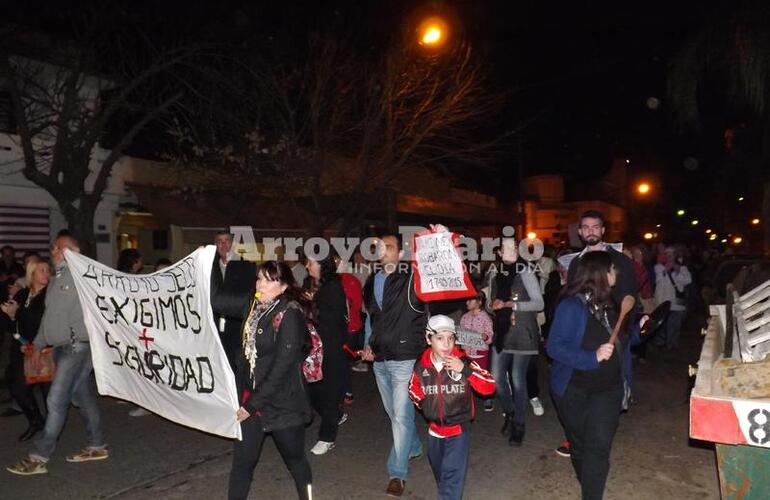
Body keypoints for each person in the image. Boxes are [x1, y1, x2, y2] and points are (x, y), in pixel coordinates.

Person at [7, 232, 108, 476]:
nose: (53, 251)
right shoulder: (55, 282)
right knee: (82, 397)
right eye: (52, 247)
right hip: (60, 349)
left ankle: (38, 456)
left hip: (77, 347)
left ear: (73, 252)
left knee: (55, 399)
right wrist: (37, 345)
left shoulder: (82, 277)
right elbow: (48, 319)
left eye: (58, 248)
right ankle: (97, 445)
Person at [548, 251, 644, 500]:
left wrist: (640, 331)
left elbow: (620, 340)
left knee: (598, 448)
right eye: (612, 268)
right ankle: (590, 482)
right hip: (573, 391)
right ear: (601, 273)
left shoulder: (611, 303)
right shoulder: (571, 306)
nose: (616, 272)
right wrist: (592, 357)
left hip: (608, 390)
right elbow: (554, 347)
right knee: (580, 446)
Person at [225, 261, 313, 500]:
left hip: (282, 404)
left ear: (283, 287)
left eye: (268, 280)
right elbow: (216, 300)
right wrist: (202, 265)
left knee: (296, 461)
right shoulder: (252, 307)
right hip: (250, 401)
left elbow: (281, 369)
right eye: (259, 278)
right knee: (242, 464)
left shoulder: (289, 314)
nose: (260, 284)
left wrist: (251, 405)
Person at [362, 232, 426, 497]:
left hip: (405, 356)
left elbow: (435, 275)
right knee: (395, 413)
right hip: (380, 357)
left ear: (400, 253)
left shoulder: (412, 277)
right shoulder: (371, 280)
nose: (382, 250)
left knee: (400, 416)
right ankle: (414, 446)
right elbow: (371, 318)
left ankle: (397, 474)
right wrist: (367, 343)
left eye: (388, 247)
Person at [408, 315, 495, 500]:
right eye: (440, 338)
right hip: (434, 430)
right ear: (428, 339)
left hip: (458, 430)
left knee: (452, 477)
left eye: (451, 338)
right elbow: (413, 388)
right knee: (441, 473)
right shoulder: (421, 366)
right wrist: (424, 404)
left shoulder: (463, 362)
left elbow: (489, 386)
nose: (446, 344)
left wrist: (465, 370)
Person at [484, 238, 544, 446]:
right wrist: (493, 305)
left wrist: (512, 305)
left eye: (514, 247)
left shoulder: (525, 271)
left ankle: (519, 424)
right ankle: (510, 412)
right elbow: (489, 304)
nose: (511, 251)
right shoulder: (495, 273)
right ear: (500, 253)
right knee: (496, 377)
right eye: (506, 248)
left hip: (522, 332)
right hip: (502, 332)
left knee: (518, 379)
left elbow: (539, 303)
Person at [0, 257, 50, 442]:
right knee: (18, 388)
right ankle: (36, 421)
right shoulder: (22, 294)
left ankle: (51, 430)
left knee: (48, 393)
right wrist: (11, 316)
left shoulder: (50, 295)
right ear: (32, 274)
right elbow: (11, 325)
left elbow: (41, 321)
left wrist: (18, 313)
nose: (47, 273)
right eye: (42, 270)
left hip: (44, 348)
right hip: (22, 348)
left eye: (48, 270)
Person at [306, 254, 348, 455]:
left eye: (311, 262)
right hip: (315, 348)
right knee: (312, 390)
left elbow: (331, 321)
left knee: (329, 392)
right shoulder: (316, 284)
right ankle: (336, 415)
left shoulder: (332, 287)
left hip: (330, 348)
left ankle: (327, 437)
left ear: (323, 265)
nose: (307, 266)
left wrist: (312, 307)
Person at [459, 291, 494, 411]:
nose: (467, 303)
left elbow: (490, 335)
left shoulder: (485, 318)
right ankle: (467, 400)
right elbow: (461, 333)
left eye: (470, 300)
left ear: (479, 302)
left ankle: (488, 397)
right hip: (467, 353)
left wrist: (486, 337)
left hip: (480, 353)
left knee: (482, 375)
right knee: (466, 376)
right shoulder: (465, 317)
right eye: (467, 300)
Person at [210, 231, 240, 375]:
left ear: (233, 244)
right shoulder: (209, 267)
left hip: (237, 328)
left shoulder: (245, 266)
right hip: (214, 327)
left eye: (227, 240)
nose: (223, 245)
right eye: (219, 241)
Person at [654, 246, 692, 350]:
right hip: (663, 301)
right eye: (667, 255)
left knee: (675, 324)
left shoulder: (682, 268)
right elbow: (658, 281)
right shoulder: (658, 267)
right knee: (662, 324)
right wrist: (666, 270)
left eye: (671, 255)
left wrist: (677, 271)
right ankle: (661, 343)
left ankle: (672, 345)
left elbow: (688, 280)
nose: (669, 257)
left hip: (676, 302)